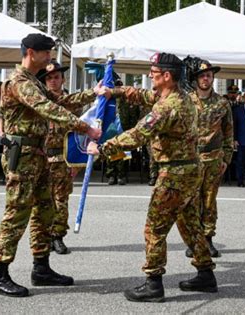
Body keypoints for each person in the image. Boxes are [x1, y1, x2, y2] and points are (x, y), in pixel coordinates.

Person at [90, 52, 217, 303]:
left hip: (174, 175)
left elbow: (138, 134)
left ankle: (153, 283)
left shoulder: (167, 107)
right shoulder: (180, 96)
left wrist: (102, 148)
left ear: (167, 76)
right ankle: (205, 274)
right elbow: (143, 95)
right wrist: (113, 92)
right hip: (190, 171)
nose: (150, 76)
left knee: (155, 229)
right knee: (190, 224)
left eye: (154, 73)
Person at [0, 33, 101, 298]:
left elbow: (58, 102)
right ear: (30, 52)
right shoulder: (19, 82)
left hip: (37, 155)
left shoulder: (32, 82)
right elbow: (49, 109)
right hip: (23, 156)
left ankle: (41, 267)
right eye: (46, 52)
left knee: (45, 211)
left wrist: (92, 94)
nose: (50, 57)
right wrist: (86, 128)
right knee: (17, 213)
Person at [178, 56, 234, 258]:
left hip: (213, 160)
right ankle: (194, 241)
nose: (205, 79)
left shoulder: (222, 103)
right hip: (191, 160)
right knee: (191, 201)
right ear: (196, 79)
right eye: (202, 76)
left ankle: (208, 239)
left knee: (209, 200)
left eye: (209, 76)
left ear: (213, 78)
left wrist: (226, 159)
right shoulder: (186, 101)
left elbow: (229, 133)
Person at [36, 60, 87, 255]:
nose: (53, 81)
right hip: (42, 158)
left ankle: (57, 236)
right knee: (41, 201)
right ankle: (43, 237)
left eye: (56, 77)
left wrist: (76, 163)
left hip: (63, 159)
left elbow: (78, 133)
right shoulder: (40, 101)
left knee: (61, 200)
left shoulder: (72, 103)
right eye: (49, 78)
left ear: (63, 79)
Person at [105, 79, 140, 186]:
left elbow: (135, 114)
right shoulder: (108, 99)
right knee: (110, 150)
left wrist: (130, 128)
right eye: (116, 86)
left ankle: (121, 175)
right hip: (111, 128)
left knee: (122, 152)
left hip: (124, 128)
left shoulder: (128, 99)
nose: (118, 88)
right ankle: (111, 175)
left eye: (120, 87)